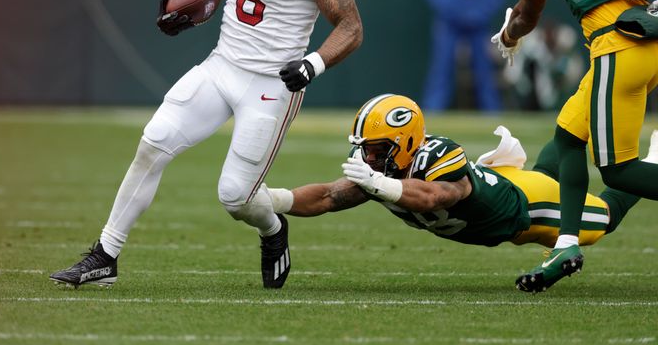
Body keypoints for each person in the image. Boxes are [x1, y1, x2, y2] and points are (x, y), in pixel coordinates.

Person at [50, 0, 363, 289]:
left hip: (272, 85)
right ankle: (105, 255)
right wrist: (194, 8)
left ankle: (273, 228)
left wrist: (312, 64)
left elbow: (351, 27)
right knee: (153, 142)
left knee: (235, 197)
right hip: (223, 65)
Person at [491, 0, 658, 292]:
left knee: (619, 171)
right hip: (646, 32)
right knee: (567, 136)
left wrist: (509, 35)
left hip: (620, 47)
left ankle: (567, 240)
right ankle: (566, 243)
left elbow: (529, 13)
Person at [265, 94, 649, 263]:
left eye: (378, 149)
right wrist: (274, 200)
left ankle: (651, 157)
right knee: (554, 163)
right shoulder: (379, 165)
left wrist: (378, 184)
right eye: (365, 149)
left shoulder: (438, 154)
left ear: (407, 140)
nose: (369, 158)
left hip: (530, 209)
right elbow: (330, 197)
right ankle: (579, 116)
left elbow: (436, 197)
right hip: (508, 194)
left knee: (604, 219)